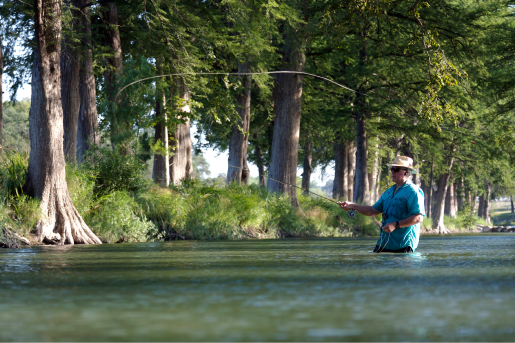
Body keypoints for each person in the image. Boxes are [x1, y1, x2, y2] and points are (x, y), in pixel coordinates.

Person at [338, 156, 425, 253]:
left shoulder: (413, 192)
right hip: (384, 243)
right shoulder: (388, 192)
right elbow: (372, 211)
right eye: (391, 168)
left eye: (396, 169)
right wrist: (352, 206)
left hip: (403, 244)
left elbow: (418, 218)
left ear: (407, 172)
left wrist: (395, 225)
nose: (392, 171)